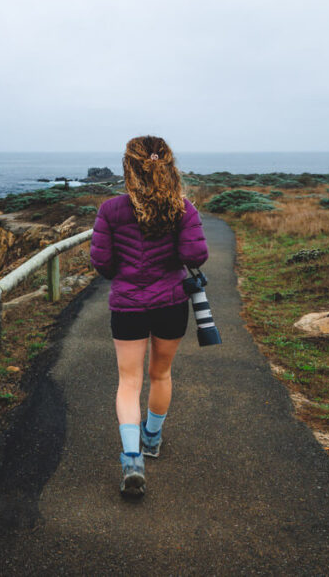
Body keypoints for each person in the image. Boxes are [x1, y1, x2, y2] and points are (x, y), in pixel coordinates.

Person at [89, 135, 209, 497]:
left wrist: (126, 278)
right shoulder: (183, 208)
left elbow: (102, 263)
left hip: (127, 305)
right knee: (161, 374)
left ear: (129, 167)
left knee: (129, 382)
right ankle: (152, 440)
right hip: (171, 303)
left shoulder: (110, 210)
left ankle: (132, 459)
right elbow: (195, 255)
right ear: (168, 166)